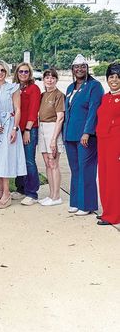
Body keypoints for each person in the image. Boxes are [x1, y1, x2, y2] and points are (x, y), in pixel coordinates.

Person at [64, 54, 104, 215]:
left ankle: (87, 205)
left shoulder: (94, 86)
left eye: (82, 66)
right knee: (75, 169)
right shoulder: (70, 88)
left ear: (87, 69)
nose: (79, 69)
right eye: (76, 67)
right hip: (70, 135)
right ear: (72, 70)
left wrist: (87, 132)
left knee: (86, 169)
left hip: (85, 136)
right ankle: (75, 202)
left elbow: (94, 111)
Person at [0, 61, 26, 209]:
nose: (0, 72)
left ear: (7, 71)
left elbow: (18, 109)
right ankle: (0, 191)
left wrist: (14, 128)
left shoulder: (13, 88)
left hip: (8, 124)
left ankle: (7, 193)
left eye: (3, 70)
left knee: (4, 159)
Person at [13, 62, 41, 206]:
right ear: (17, 73)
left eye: (26, 72)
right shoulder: (15, 88)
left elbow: (33, 111)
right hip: (17, 129)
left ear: (29, 74)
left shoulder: (34, 88)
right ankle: (21, 188)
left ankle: (32, 193)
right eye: (20, 72)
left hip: (29, 129)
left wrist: (28, 130)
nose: (23, 74)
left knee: (29, 161)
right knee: (19, 159)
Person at [96, 63, 120, 225]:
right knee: (104, 178)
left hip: (116, 143)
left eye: (118, 77)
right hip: (103, 142)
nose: (114, 80)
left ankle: (114, 216)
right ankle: (107, 211)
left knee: (114, 179)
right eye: (111, 76)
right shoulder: (105, 97)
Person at [37, 69, 65, 207]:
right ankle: (51, 194)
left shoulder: (59, 95)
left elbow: (60, 117)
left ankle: (56, 196)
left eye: (53, 78)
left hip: (53, 129)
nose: (50, 80)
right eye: (47, 77)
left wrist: (54, 139)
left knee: (54, 163)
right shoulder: (43, 95)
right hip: (42, 128)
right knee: (47, 163)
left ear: (56, 80)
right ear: (43, 80)